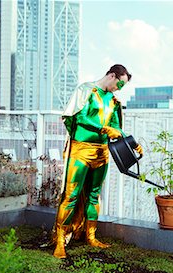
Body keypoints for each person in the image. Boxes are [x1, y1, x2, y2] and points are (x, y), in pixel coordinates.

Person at [53, 64, 142, 259]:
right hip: (80, 150)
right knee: (71, 195)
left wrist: (132, 143)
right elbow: (80, 117)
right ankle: (60, 241)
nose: (120, 88)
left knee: (94, 195)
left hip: (102, 152)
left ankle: (91, 236)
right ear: (112, 75)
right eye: (120, 83)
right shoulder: (86, 90)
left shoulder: (113, 101)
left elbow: (116, 128)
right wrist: (104, 129)